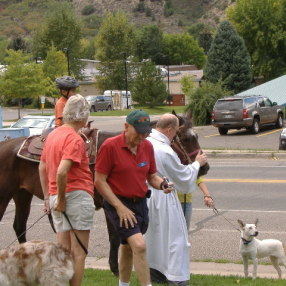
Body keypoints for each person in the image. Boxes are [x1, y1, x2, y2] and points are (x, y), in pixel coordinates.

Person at [94, 109, 174, 286]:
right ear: (126, 127)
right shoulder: (110, 146)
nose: (141, 136)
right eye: (138, 132)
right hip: (118, 203)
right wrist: (119, 207)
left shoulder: (147, 146)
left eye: (145, 133)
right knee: (139, 245)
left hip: (140, 204)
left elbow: (151, 176)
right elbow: (99, 181)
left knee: (128, 247)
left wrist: (162, 184)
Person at [145, 113, 208, 286]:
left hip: (148, 198)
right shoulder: (165, 150)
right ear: (170, 129)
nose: (175, 137)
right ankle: (177, 278)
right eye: (175, 133)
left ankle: (156, 274)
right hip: (164, 196)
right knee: (176, 241)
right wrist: (197, 163)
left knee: (154, 239)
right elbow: (183, 179)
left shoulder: (147, 142)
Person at [39, 94, 95, 286]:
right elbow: (62, 172)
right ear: (83, 116)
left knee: (63, 253)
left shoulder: (53, 134)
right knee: (79, 253)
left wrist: (49, 198)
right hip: (75, 196)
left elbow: (42, 167)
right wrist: (61, 200)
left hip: (57, 197)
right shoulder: (75, 139)